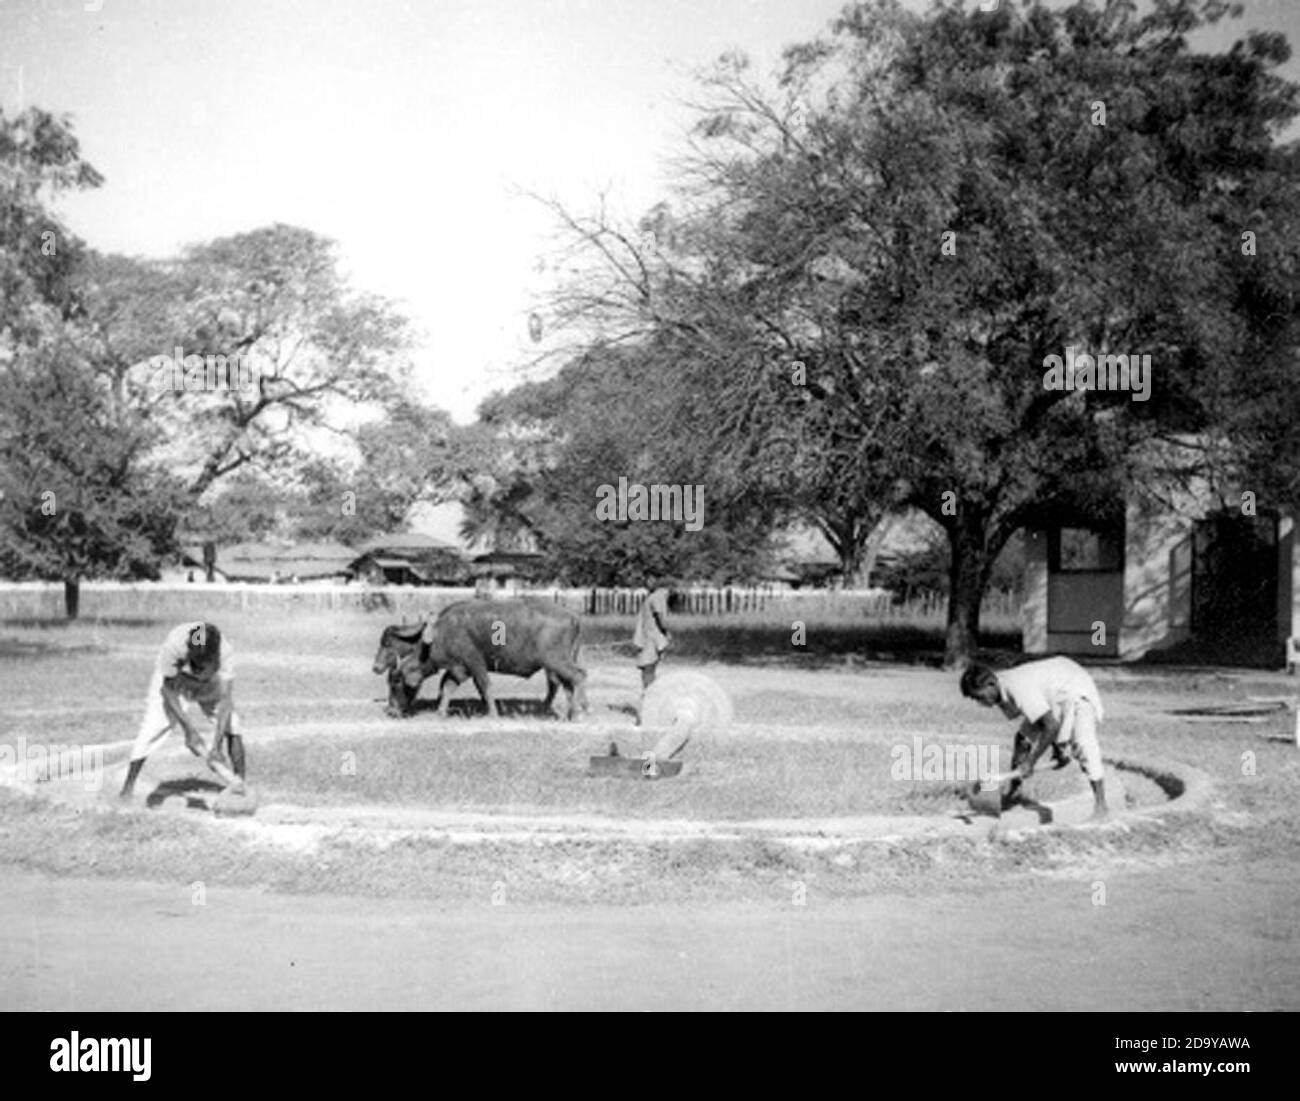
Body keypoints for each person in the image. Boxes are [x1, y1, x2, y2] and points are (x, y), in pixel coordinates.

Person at [959, 656, 1108, 820]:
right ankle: (1014, 793)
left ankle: (1101, 805)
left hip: (1075, 686)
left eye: (979, 697)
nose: (979, 702)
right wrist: (1056, 748)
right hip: (1055, 693)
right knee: (1022, 739)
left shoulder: (1016, 687)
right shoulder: (1000, 690)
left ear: (990, 684)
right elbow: (1040, 716)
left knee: (1083, 744)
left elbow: (1050, 726)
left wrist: (1031, 761)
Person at [120, 621, 247, 799]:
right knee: (152, 728)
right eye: (197, 663)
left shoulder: (225, 652)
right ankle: (127, 790)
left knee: (233, 725)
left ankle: (241, 786)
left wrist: (216, 746)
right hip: (177, 680)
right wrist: (189, 731)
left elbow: (225, 700)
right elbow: (168, 691)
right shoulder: (174, 645)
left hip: (212, 683)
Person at [632, 574, 671, 694]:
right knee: (646, 670)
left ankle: (650, 697)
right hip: (647, 637)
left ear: (658, 581)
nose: (648, 582)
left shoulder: (656, 597)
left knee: (648, 670)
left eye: (651, 579)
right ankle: (649, 696)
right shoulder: (651, 596)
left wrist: (666, 632)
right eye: (647, 580)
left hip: (652, 639)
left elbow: (660, 618)